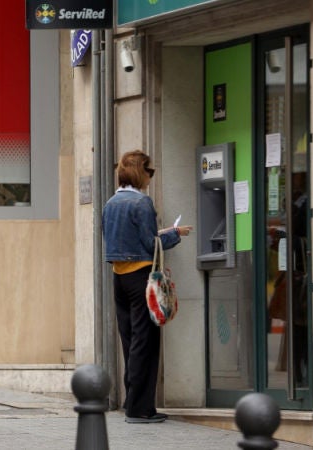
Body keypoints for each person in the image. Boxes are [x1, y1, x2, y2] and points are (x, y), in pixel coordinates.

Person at [101, 150, 192, 424]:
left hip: (119, 277)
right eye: (149, 171)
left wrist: (160, 234)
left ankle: (132, 401)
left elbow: (122, 239)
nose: (151, 177)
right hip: (142, 277)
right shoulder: (142, 203)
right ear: (140, 172)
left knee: (130, 340)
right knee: (146, 342)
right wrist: (175, 234)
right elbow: (151, 244)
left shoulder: (110, 203)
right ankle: (140, 409)